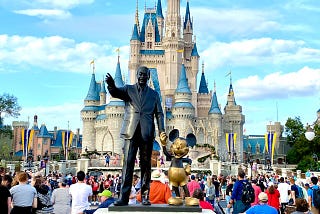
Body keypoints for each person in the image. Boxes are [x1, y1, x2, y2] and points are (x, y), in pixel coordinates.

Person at [105, 66, 166, 206]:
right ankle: (124, 197)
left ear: (148, 76)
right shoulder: (128, 89)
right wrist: (111, 85)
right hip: (131, 131)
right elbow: (115, 93)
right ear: (137, 75)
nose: (142, 76)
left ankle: (145, 195)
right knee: (127, 164)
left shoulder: (154, 94)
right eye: (140, 74)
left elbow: (159, 114)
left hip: (147, 133)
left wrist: (162, 131)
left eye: (144, 74)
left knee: (146, 166)